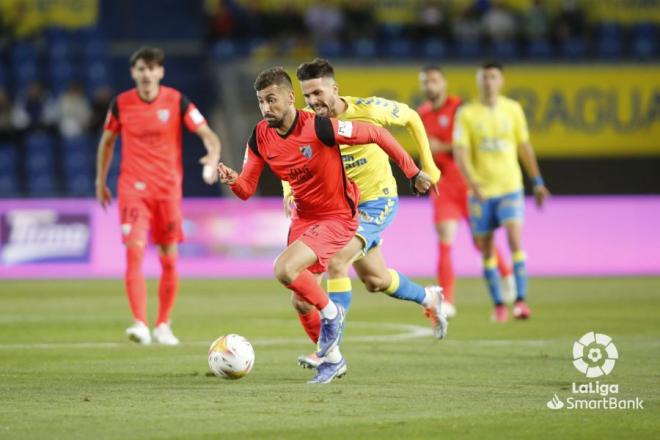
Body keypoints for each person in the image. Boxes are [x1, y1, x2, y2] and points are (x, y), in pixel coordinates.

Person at [217, 67, 437, 384]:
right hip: (304, 219)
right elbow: (247, 189)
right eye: (261, 102)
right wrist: (234, 180)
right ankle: (333, 360)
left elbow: (377, 134)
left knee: (284, 269)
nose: (267, 108)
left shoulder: (320, 127)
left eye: (272, 100)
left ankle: (332, 315)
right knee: (304, 298)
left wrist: (414, 172)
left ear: (290, 98)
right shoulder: (259, 137)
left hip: (337, 217)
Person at [287, 58, 447, 370]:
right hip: (337, 209)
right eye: (307, 96)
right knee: (375, 280)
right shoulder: (306, 122)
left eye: (318, 93)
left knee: (337, 261)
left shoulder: (370, 110)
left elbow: (412, 117)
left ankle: (329, 351)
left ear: (335, 88)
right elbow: (289, 155)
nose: (313, 101)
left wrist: (428, 166)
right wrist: (288, 191)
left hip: (376, 201)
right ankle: (429, 297)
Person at [95, 47, 222, 345]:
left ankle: (163, 324)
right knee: (134, 252)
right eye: (141, 68)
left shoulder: (177, 101)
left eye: (152, 68)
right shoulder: (121, 104)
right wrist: (100, 180)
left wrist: (213, 154)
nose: (146, 74)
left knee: (168, 259)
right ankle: (139, 322)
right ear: (133, 73)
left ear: (161, 72)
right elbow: (107, 142)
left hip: (167, 191)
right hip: (133, 189)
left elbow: (209, 135)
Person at [453, 61, 550, 322]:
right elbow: (460, 153)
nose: (488, 82)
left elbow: (524, 146)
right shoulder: (467, 114)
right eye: (484, 77)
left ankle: (520, 300)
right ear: (478, 81)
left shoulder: (513, 109)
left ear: (501, 81)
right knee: (486, 248)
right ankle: (498, 303)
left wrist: (537, 181)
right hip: (481, 192)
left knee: (514, 237)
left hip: (510, 186)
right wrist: (473, 185)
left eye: (493, 77)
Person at [417, 65, 514, 318]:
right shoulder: (421, 115)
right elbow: (427, 151)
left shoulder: (461, 109)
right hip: (444, 187)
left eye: (434, 80)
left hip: (469, 185)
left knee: (482, 242)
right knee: (445, 242)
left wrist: (443, 146)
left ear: (444, 83)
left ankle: (506, 277)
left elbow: (470, 145)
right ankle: (447, 300)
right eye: (426, 82)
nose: (430, 86)